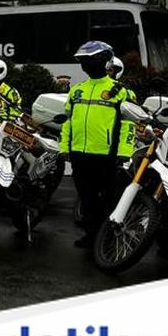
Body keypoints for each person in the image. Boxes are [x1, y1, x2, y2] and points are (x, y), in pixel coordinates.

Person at [60, 41, 134, 249]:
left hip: (106, 156)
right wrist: (64, 147)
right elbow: (68, 121)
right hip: (78, 155)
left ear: (104, 62)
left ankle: (108, 239)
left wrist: (124, 152)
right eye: (84, 61)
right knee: (87, 199)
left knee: (109, 200)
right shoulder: (77, 90)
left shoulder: (120, 91)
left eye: (90, 60)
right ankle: (92, 236)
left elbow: (129, 126)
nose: (87, 65)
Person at [107, 58, 138, 162]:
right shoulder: (89, 87)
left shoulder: (125, 91)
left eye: (110, 70)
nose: (107, 72)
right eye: (105, 69)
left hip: (114, 140)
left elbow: (129, 122)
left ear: (117, 72)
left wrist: (124, 152)